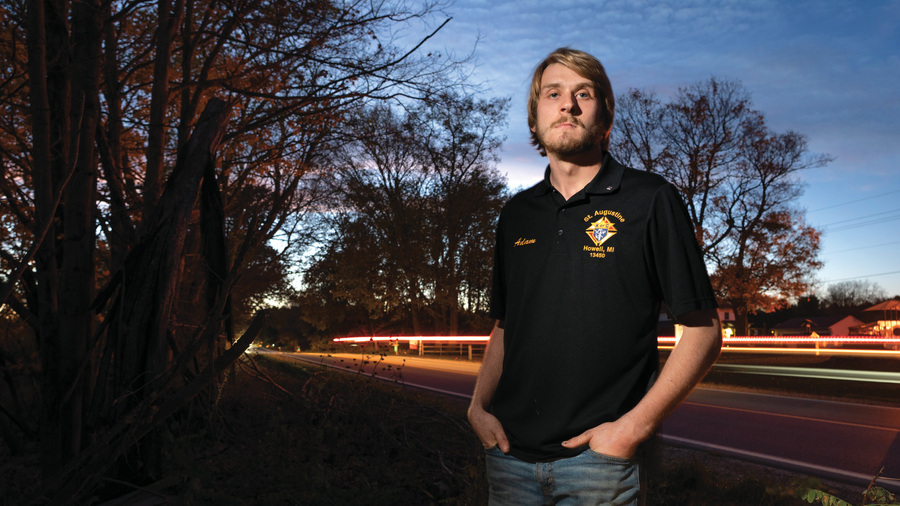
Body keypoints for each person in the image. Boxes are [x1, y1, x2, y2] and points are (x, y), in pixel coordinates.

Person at [467, 47, 722, 505]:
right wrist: (477, 407)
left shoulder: (650, 199)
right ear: (535, 117)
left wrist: (631, 430)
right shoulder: (516, 213)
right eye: (553, 94)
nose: (567, 104)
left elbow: (703, 332)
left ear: (604, 116)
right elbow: (505, 326)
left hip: (599, 464)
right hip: (508, 458)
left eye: (583, 94)